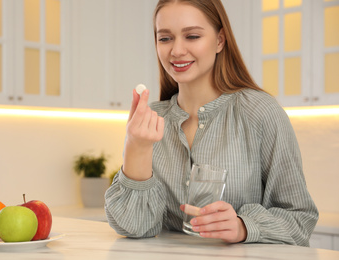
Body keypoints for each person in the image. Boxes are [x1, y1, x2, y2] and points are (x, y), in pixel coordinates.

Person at [104, 0, 318, 246]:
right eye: (165, 38)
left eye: (192, 36)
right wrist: (137, 147)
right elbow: (135, 227)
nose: (176, 50)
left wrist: (243, 227)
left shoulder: (260, 112)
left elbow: (301, 219)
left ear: (220, 40)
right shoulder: (152, 121)